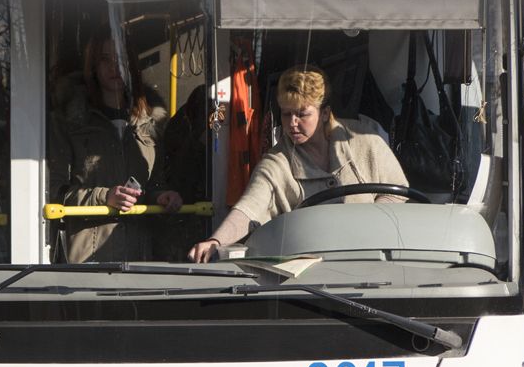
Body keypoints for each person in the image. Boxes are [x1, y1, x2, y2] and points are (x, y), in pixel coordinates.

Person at [189, 64, 409, 263]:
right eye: (286, 114)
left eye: (302, 114)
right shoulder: (276, 163)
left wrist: (369, 226)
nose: (292, 123)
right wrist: (215, 241)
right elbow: (249, 209)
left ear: (325, 113)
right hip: (312, 274)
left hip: (373, 262)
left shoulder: (363, 140)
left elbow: (397, 192)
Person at [47, 27, 182, 263]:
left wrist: (163, 196)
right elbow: (56, 192)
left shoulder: (153, 122)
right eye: (104, 59)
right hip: (87, 258)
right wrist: (103, 197)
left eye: (121, 58)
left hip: (139, 255)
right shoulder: (69, 121)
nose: (114, 66)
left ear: (132, 65)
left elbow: (154, 184)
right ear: (93, 66)